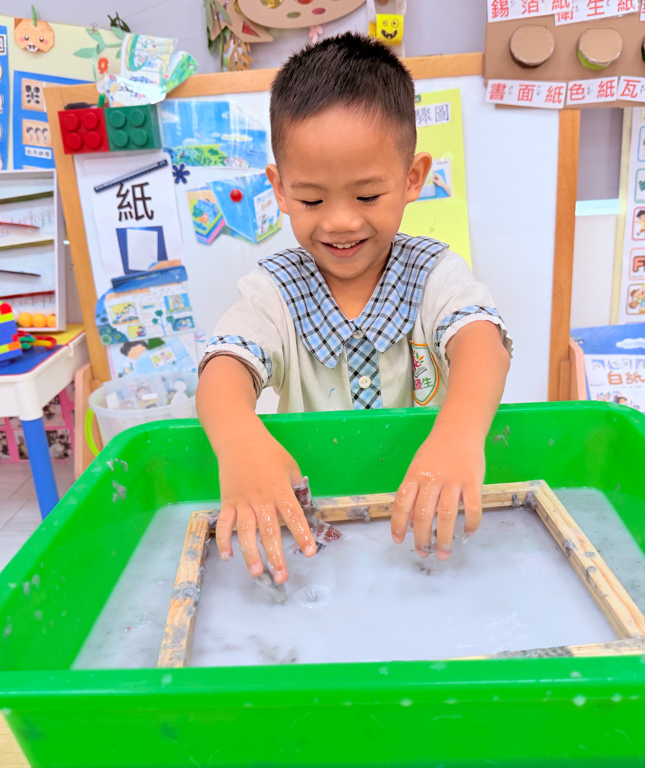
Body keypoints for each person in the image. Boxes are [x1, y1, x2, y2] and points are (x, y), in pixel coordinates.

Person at [196, 33, 512, 585]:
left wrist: (459, 433)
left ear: (412, 178)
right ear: (280, 189)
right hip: (320, 532)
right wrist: (240, 443)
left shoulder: (433, 273)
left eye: (367, 196)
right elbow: (224, 369)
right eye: (312, 199)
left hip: (420, 519)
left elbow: (482, 342)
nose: (341, 221)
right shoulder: (275, 291)